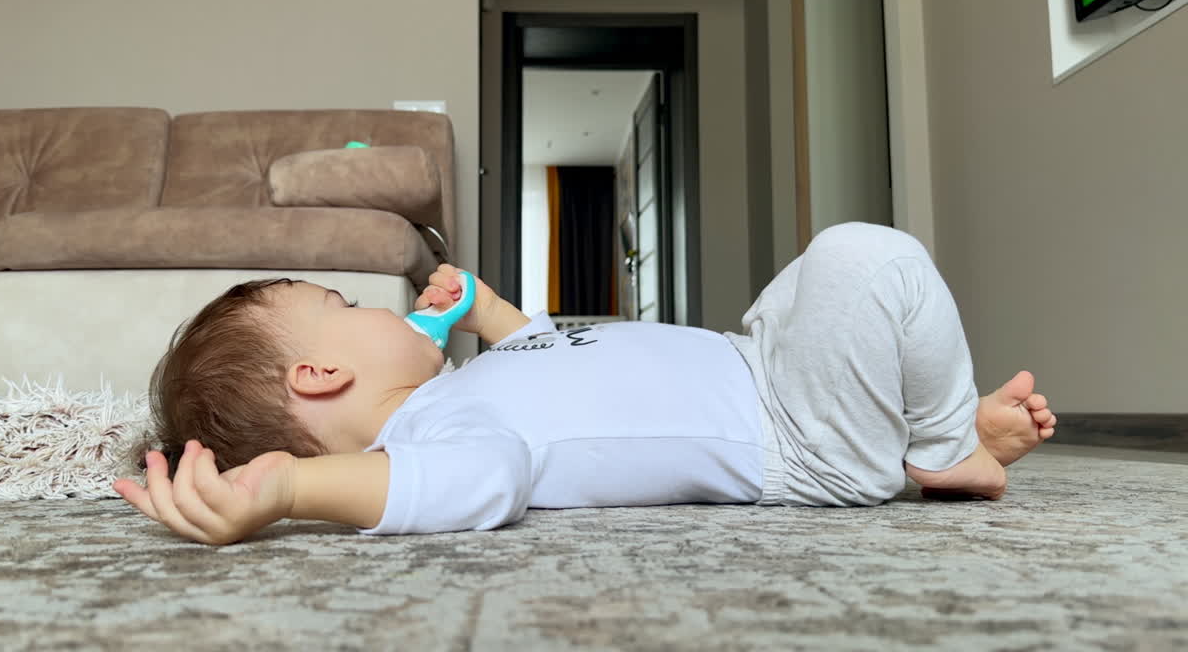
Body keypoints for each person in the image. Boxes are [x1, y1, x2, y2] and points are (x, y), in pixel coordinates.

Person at [113, 222, 1057, 545]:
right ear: (322, 375)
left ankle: (922, 426)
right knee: (866, 257)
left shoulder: (473, 380)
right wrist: (285, 490)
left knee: (810, 279)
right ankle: (943, 449)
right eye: (343, 302)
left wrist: (488, 312)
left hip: (751, 360)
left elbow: (550, 353)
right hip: (796, 437)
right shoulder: (440, 442)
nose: (379, 303)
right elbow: (478, 487)